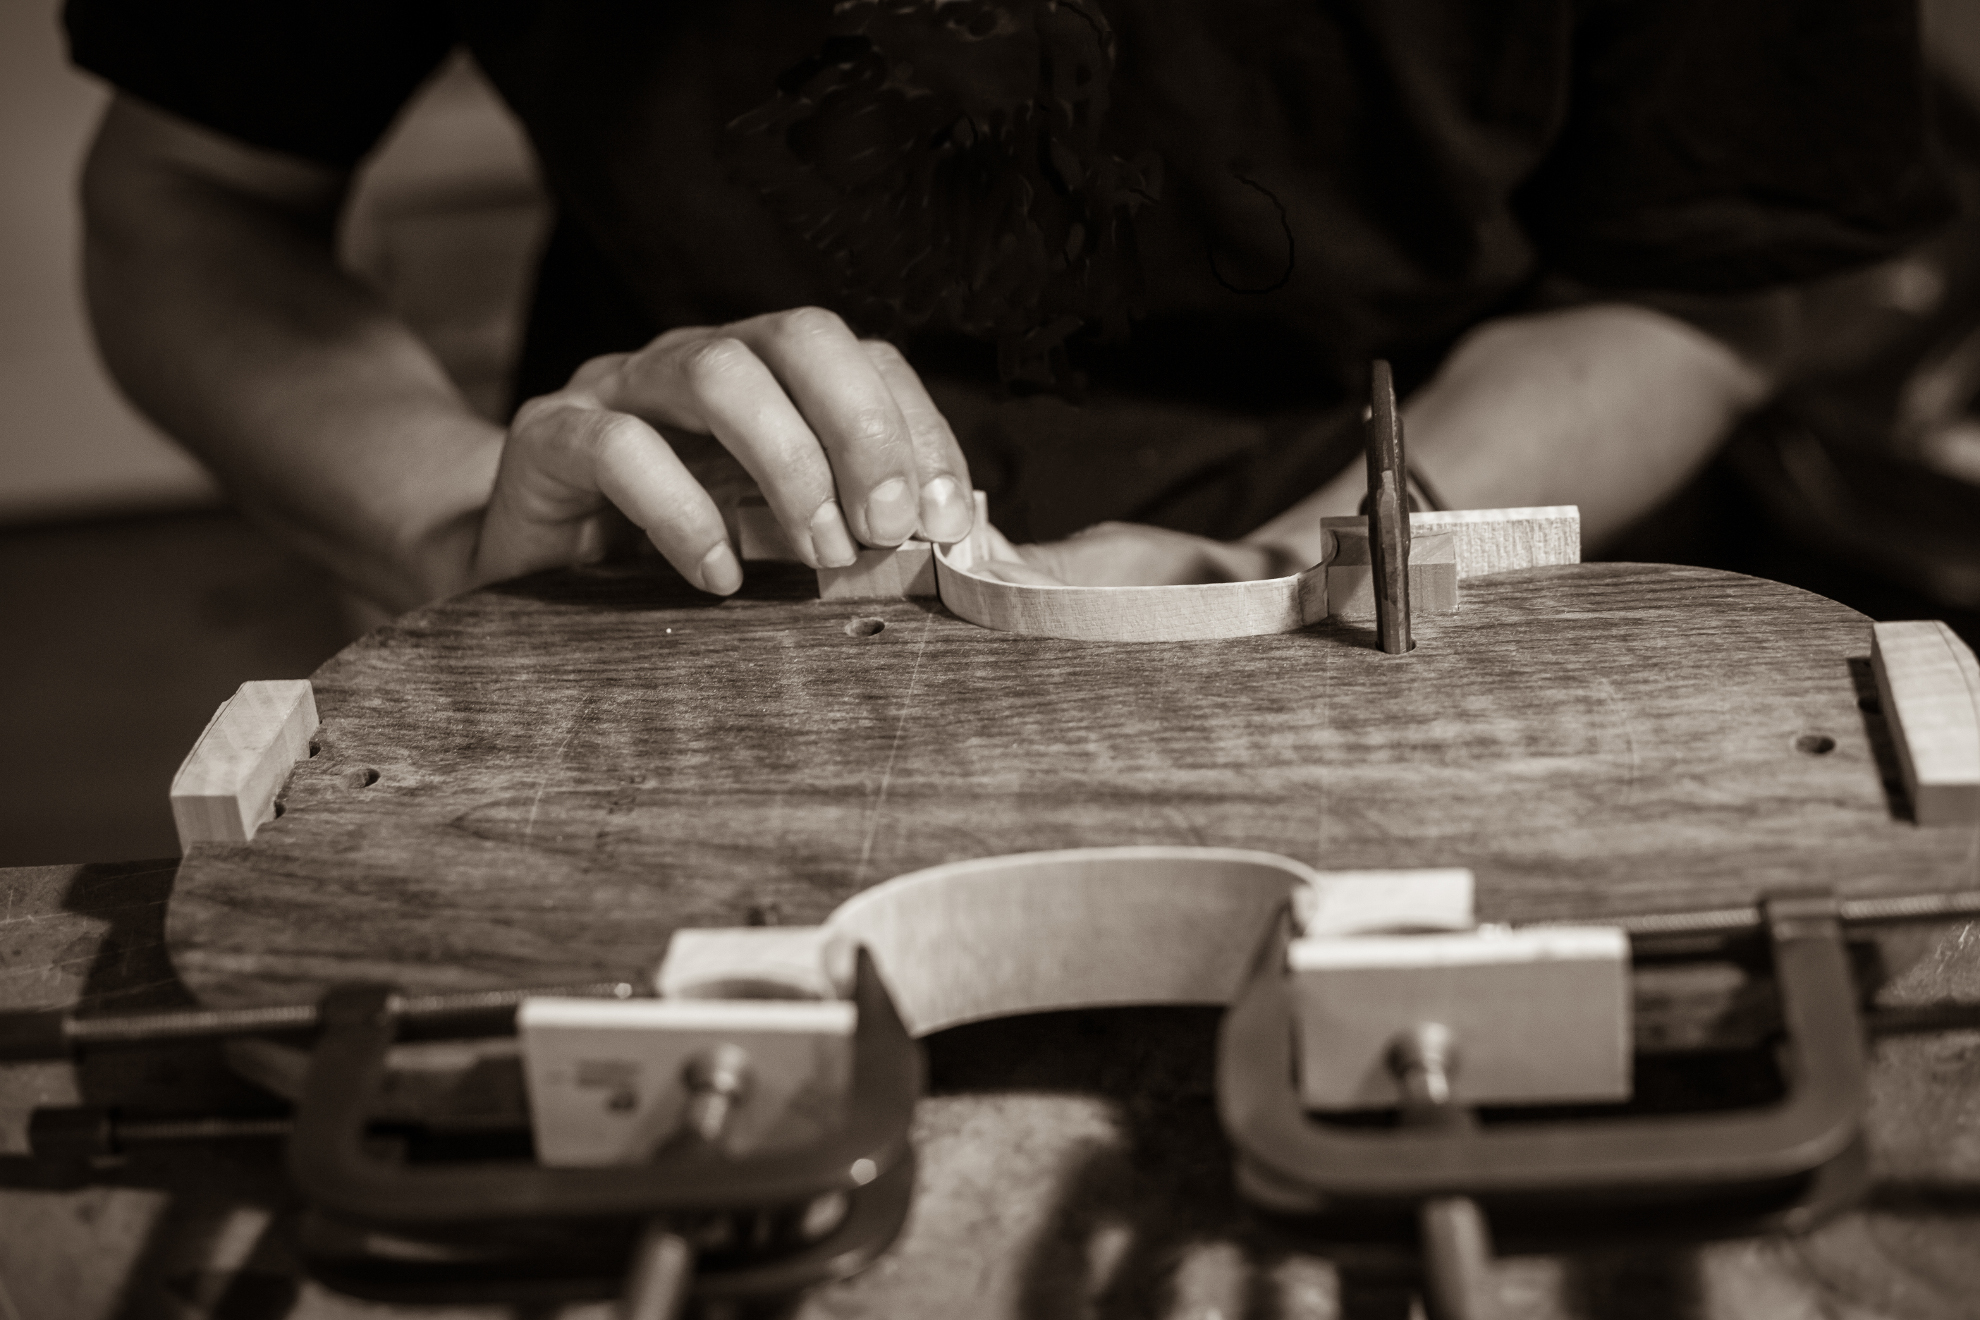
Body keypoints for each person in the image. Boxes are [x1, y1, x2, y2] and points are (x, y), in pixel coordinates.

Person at [65, 1, 1951, 614]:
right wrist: (448, 515)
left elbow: (1710, 284)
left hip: (1406, 596)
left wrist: (1293, 586)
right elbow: (192, 195)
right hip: (702, 601)